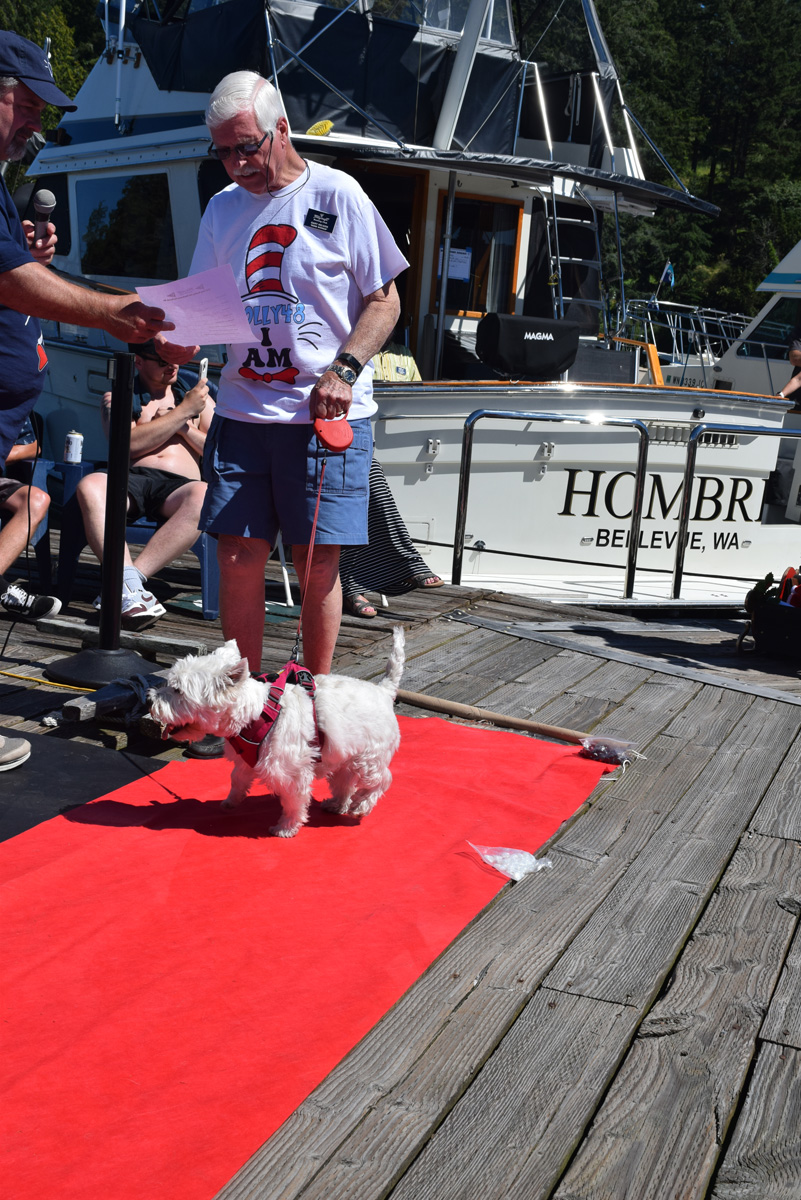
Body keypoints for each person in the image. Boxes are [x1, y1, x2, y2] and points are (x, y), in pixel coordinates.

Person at [157, 70, 408, 673]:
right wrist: (175, 342)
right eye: (223, 152)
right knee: (237, 556)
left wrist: (343, 370)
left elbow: (385, 301)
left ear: (283, 129)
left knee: (315, 560)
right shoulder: (221, 209)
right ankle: (242, 698)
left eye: (247, 147)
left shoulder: (339, 194)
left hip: (324, 416)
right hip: (244, 413)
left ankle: (314, 698)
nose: (237, 164)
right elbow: (201, 311)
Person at [75, 342, 213, 630]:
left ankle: (127, 582)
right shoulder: (120, 396)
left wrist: (184, 426)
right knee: (90, 484)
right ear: (139, 362)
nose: (172, 366)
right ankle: (129, 586)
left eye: (176, 359)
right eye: (163, 360)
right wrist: (182, 413)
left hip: (180, 487)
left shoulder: (198, 399)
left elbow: (217, 452)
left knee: (204, 495)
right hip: (132, 479)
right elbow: (127, 443)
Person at [340, 336, 442, 618]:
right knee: (352, 485)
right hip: (305, 441)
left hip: (344, 433)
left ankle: (353, 585)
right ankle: (402, 565)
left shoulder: (401, 353)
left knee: (368, 475)